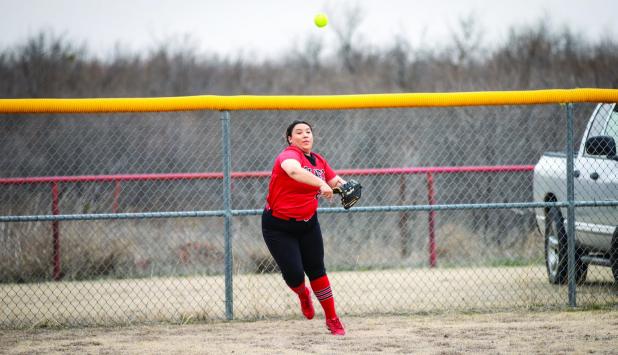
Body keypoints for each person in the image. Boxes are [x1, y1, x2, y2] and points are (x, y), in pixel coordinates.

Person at [262, 120, 347, 336]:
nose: (305, 135)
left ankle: (332, 319)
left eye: (308, 131)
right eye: (298, 132)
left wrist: (346, 186)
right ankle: (302, 293)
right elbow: (293, 171)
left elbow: (333, 179)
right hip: (278, 226)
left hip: (308, 224)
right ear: (290, 139)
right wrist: (320, 184)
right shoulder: (289, 156)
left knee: (317, 269)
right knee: (294, 275)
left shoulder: (318, 160)